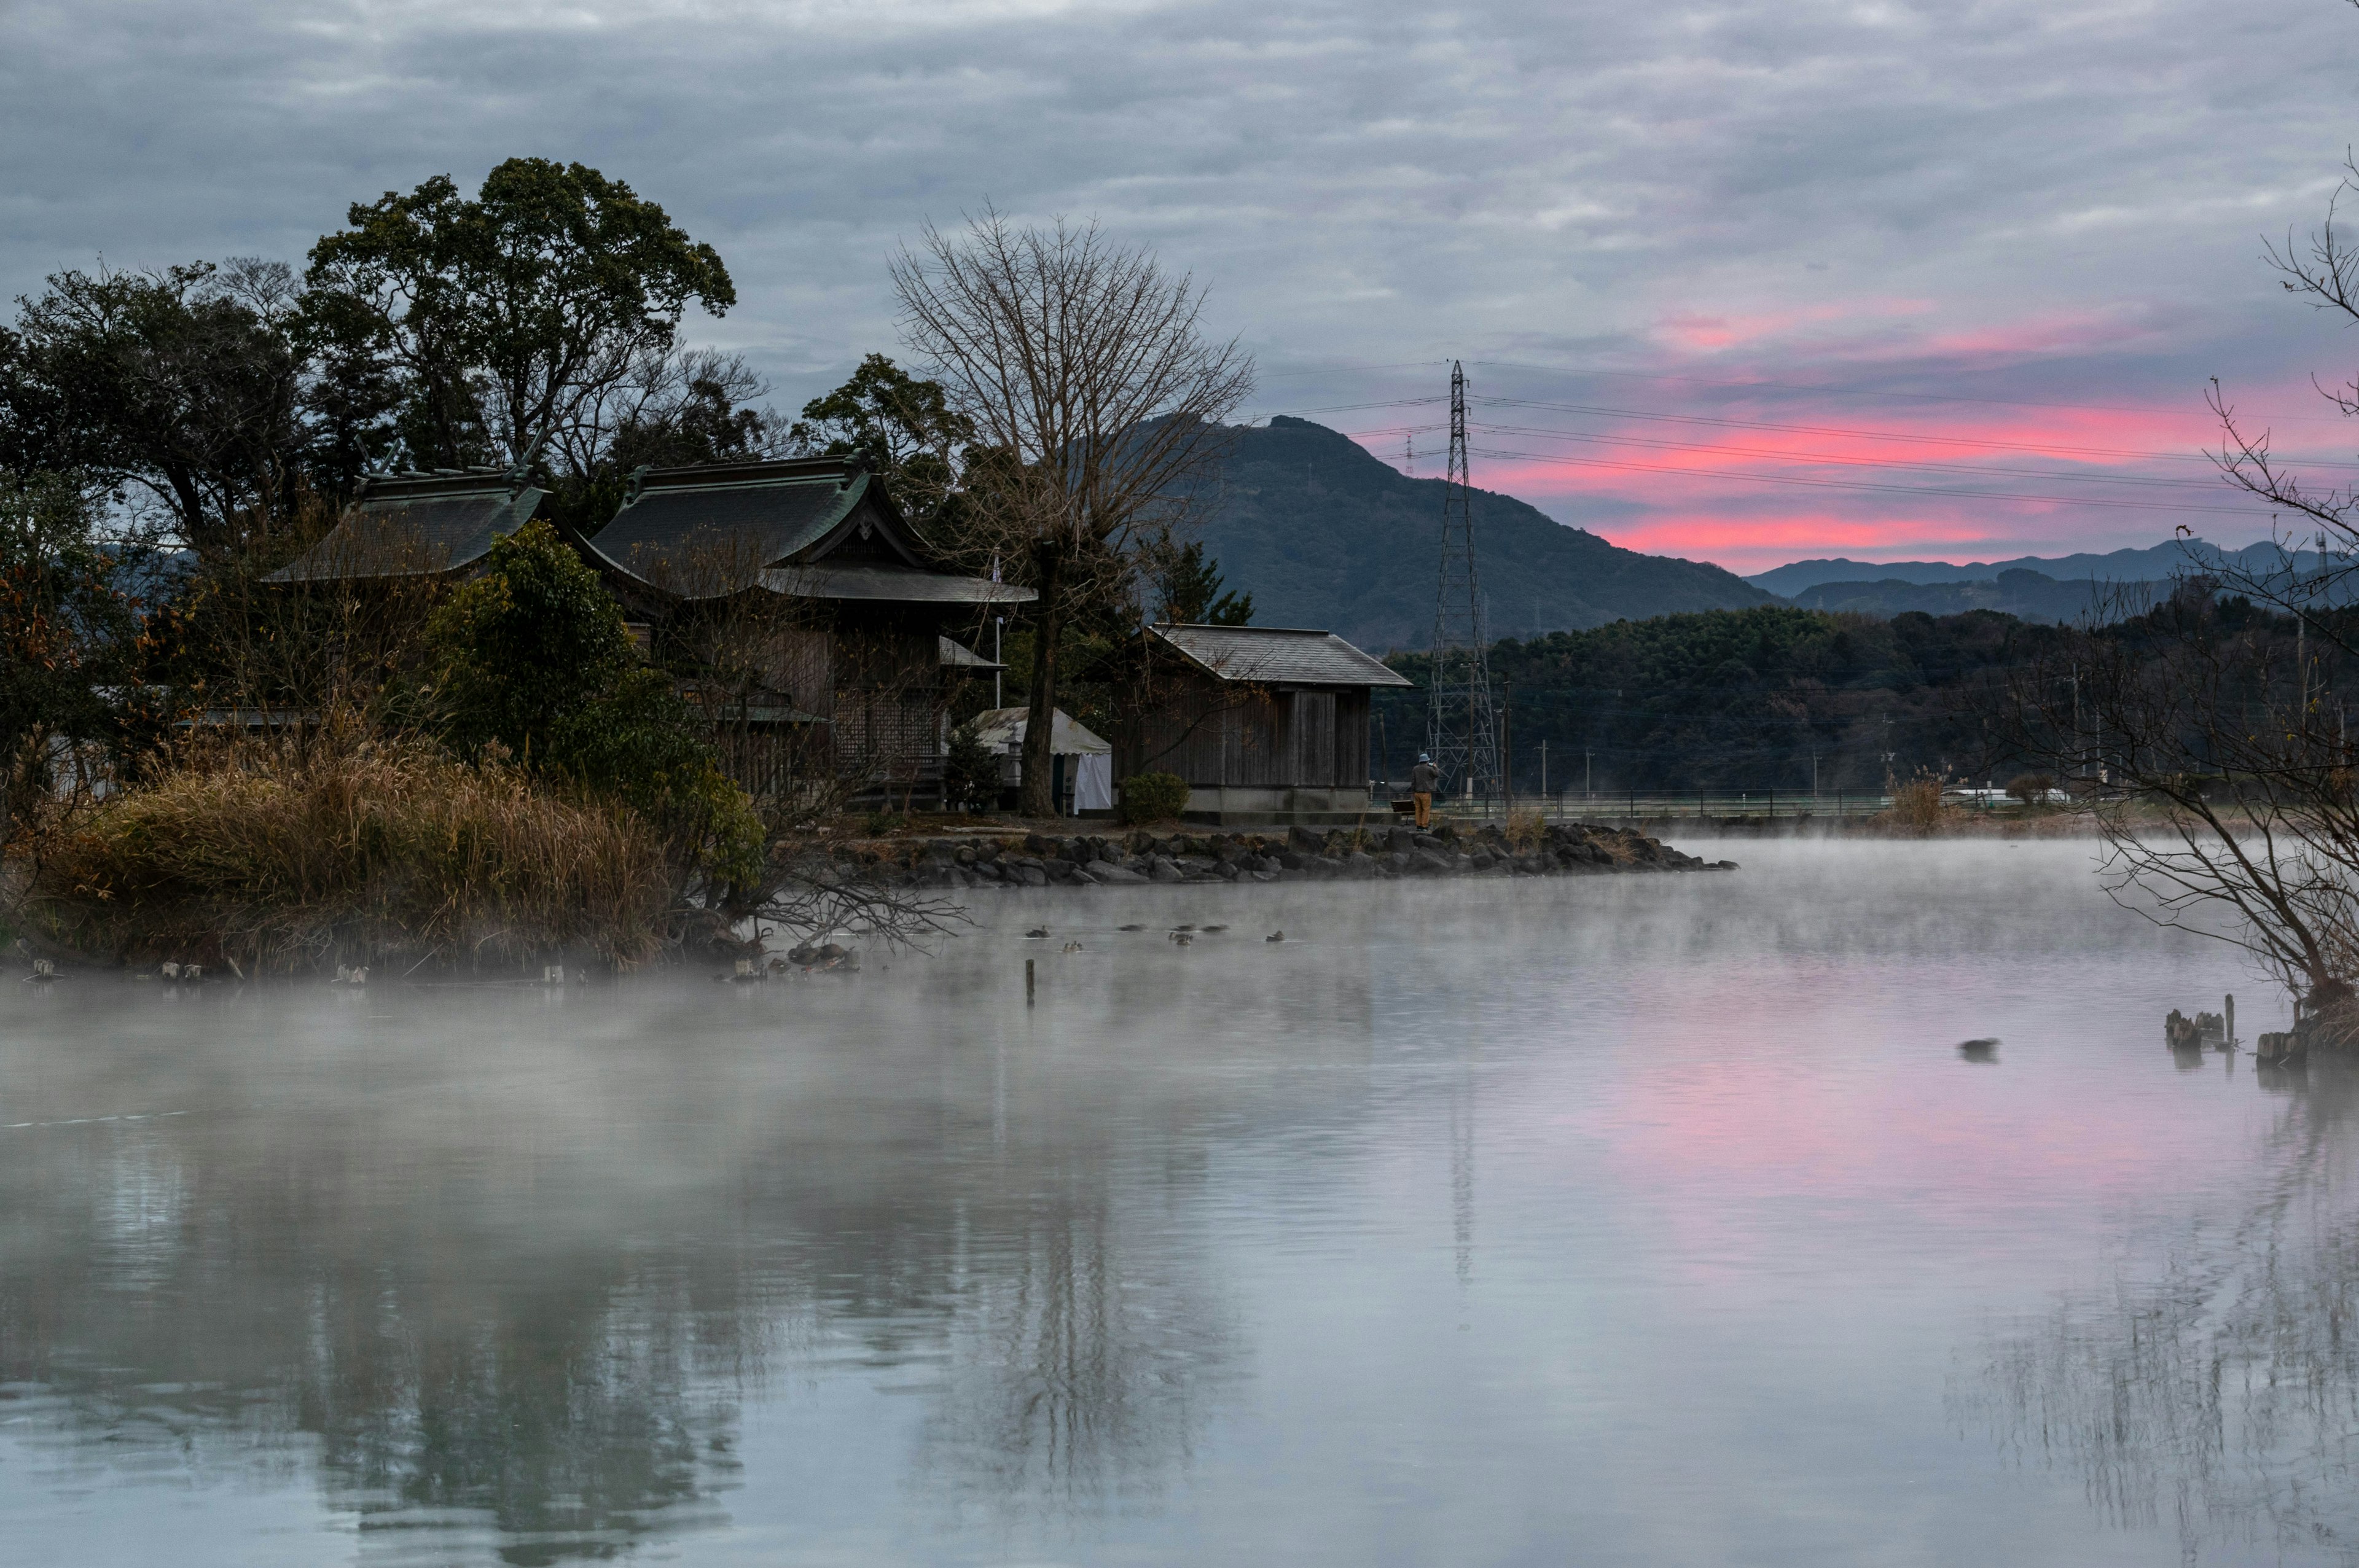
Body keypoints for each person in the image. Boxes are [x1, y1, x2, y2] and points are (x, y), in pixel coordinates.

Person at [1409, 752, 1439, 829]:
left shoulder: (1415, 769)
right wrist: (1435, 767)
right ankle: (1424, 825)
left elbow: (1413, 781)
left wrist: (1413, 791)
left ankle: (1418, 825)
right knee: (1426, 809)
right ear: (1427, 761)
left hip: (1417, 792)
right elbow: (1437, 775)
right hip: (1426, 792)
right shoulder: (1429, 769)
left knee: (1418, 809)